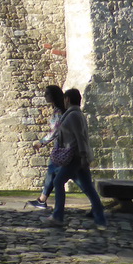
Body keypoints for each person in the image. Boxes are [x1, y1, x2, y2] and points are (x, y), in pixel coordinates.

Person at [42, 88, 108, 229]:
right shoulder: (76, 114)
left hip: (75, 156)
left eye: (65, 99)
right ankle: (100, 218)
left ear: (68, 99)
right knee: (88, 187)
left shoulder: (73, 116)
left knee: (58, 181)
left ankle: (58, 216)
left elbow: (80, 137)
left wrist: (83, 155)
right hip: (77, 156)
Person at [27, 85, 66, 209]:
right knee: (54, 173)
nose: (45, 96)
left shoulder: (59, 111)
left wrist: (42, 142)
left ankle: (46, 203)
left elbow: (55, 130)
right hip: (62, 145)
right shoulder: (58, 110)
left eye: (47, 93)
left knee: (53, 172)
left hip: (62, 146)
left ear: (53, 95)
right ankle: (42, 199)